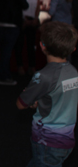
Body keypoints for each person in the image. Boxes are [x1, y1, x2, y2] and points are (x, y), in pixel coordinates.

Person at [17, 22, 78, 167]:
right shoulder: (74, 72)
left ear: (42, 46)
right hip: (67, 140)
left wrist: (32, 99)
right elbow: (61, 96)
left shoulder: (43, 76)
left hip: (47, 141)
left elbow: (21, 104)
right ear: (73, 49)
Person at [16, 0, 42, 76]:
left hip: (32, 21)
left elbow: (37, 8)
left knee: (31, 46)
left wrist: (35, 19)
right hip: (22, 21)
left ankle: (32, 66)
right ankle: (20, 66)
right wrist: (24, 21)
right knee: (20, 45)